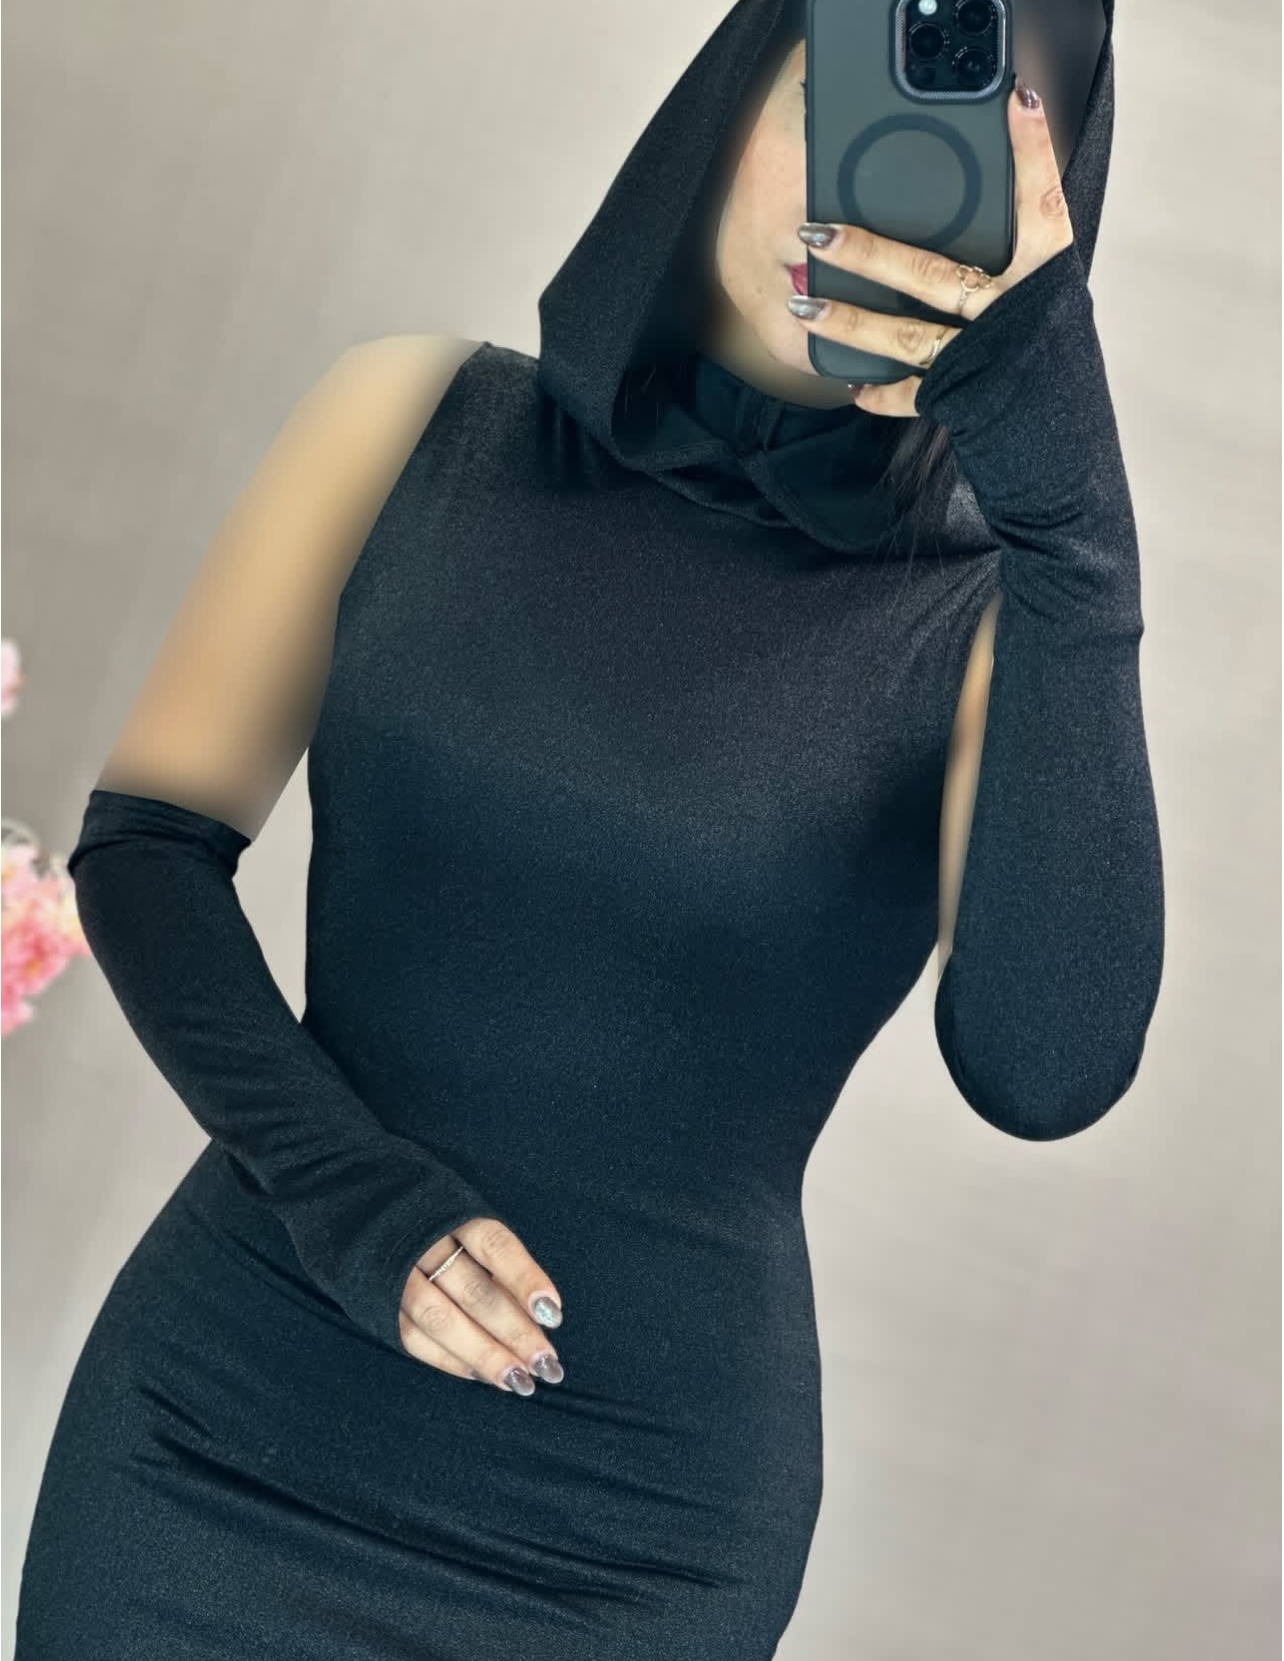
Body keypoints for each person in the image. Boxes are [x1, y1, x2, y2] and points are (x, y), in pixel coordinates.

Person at [15, 0, 1162, 1656]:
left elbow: (1046, 1070)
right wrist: (344, 1190)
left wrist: (1076, 532)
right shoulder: (412, 419)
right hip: (219, 1427)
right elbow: (146, 851)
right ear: (724, 102)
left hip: (628, 1543)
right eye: (835, 111)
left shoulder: (994, 629)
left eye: (958, 168)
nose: (876, 199)